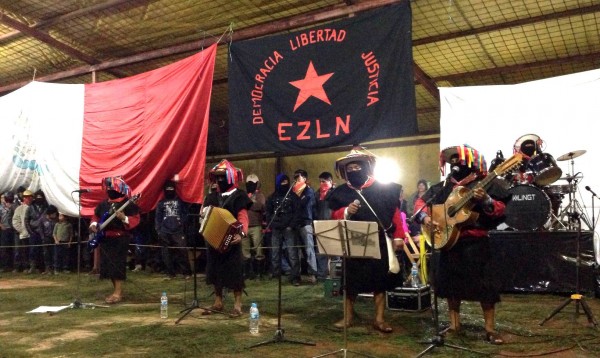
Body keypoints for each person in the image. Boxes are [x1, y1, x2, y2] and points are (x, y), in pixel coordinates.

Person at [413, 144, 509, 345]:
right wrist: (424, 218)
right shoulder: (444, 187)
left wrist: (486, 200)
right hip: (449, 242)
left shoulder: (486, 183)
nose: (455, 163)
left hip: (476, 242)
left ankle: (490, 329)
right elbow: (420, 203)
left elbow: (500, 209)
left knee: (485, 287)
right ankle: (454, 324)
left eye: (460, 160)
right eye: (452, 161)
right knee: (450, 286)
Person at [327, 148, 405, 333]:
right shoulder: (341, 192)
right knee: (350, 280)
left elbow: (395, 214)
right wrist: (347, 211)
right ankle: (347, 317)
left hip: (378, 239)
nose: (354, 170)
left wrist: (399, 236)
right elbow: (334, 214)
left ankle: (379, 319)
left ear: (365, 167)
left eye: (357, 166)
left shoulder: (384, 189)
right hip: (352, 239)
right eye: (350, 168)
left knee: (380, 281)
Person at [201, 160, 252, 317]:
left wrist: (241, 234)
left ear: (230, 177)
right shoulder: (211, 197)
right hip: (214, 241)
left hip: (232, 241)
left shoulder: (239, 196)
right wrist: (202, 216)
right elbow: (204, 214)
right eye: (217, 177)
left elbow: (243, 217)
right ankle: (218, 302)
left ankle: (238, 305)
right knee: (215, 271)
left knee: (235, 272)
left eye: (223, 177)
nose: (219, 180)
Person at [89, 176, 140, 304]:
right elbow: (96, 216)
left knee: (116, 265)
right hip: (105, 238)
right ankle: (115, 291)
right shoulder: (103, 204)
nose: (109, 190)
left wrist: (124, 218)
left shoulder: (128, 204)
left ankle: (118, 293)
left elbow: (135, 220)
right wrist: (94, 225)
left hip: (120, 239)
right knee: (107, 267)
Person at [265, 174, 301, 284]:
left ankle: (295, 277)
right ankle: (276, 274)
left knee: (292, 253)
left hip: (289, 228)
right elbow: (268, 213)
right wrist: (273, 224)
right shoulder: (272, 197)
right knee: (275, 252)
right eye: (282, 182)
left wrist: (291, 225)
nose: (284, 184)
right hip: (276, 228)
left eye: (286, 182)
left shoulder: (293, 197)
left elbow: (297, 212)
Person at [155, 179, 191, 280]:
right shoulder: (161, 203)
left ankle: (186, 273)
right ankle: (170, 273)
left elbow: (185, 214)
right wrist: (159, 230)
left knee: (182, 251)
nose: (169, 190)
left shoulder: (180, 201)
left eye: (171, 188)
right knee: (166, 253)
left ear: (175, 189)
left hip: (178, 231)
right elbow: (158, 217)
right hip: (164, 231)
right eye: (167, 189)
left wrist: (181, 223)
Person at [292, 169, 318, 284]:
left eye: (299, 177)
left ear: (305, 179)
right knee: (296, 251)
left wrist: (297, 198)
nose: (296, 179)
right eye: (295, 177)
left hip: (306, 222)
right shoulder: (292, 192)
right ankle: (297, 275)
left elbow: (304, 203)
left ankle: (312, 274)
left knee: (309, 249)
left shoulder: (308, 190)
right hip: (295, 224)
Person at [243, 174, 266, 279]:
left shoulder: (260, 195)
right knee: (245, 250)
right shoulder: (243, 195)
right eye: (249, 184)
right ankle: (247, 272)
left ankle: (259, 272)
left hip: (256, 225)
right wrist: (250, 203)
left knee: (258, 250)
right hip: (245, 225)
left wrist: (248, 203)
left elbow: (260, 206)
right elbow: (241, 206)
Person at [315, 171, 336, 280]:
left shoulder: (335, 193)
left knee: (335, 252)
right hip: (320, 224)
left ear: (330, 181)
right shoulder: (317, 194)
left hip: (333, 224)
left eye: (324, 181)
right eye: (320, 181)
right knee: (321, 251)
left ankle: (335, 275)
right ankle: (322, 275)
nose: (322, 184)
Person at [24, 190, 48, 274]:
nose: (39, 200)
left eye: (40, 198)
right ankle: (33, 267)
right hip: (33, 232)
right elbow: (26, 220)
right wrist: (30, 231)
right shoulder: (31, 207)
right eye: (37, 198)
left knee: (43, 250)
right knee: (33, 250)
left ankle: (42, 267)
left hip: (44, 232)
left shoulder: (46, 207)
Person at [12, 190, 33, 273]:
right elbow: (15, 221)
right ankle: (24, 267)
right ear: (24, 198)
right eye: (27, 198)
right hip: (24, 234)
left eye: (30, 198)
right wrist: (22, 230)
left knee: (31, 251)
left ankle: (31, 267)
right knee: (23, 251)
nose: (29, 199)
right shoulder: (19, 208)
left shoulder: (32, 207)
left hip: (32, 234)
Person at [0, 191, 18, 272]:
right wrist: (1, 225)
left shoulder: (14, 206)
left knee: (13, 248)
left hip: (12, 229)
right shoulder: (0, 207)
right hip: (4, 229)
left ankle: (13, 265)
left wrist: (11, 207)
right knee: (4, 248)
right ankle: (4, 266)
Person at [39, 205, 59, 275]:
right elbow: (41, 229)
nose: (55, 215)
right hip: (46, 238)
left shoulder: (56, 220)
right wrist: (43, 238)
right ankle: (48, 269)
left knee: (55, 254)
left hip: (54, 238)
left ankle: (55, 269)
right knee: (46, 254)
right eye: (53, 214)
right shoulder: (42, 219)